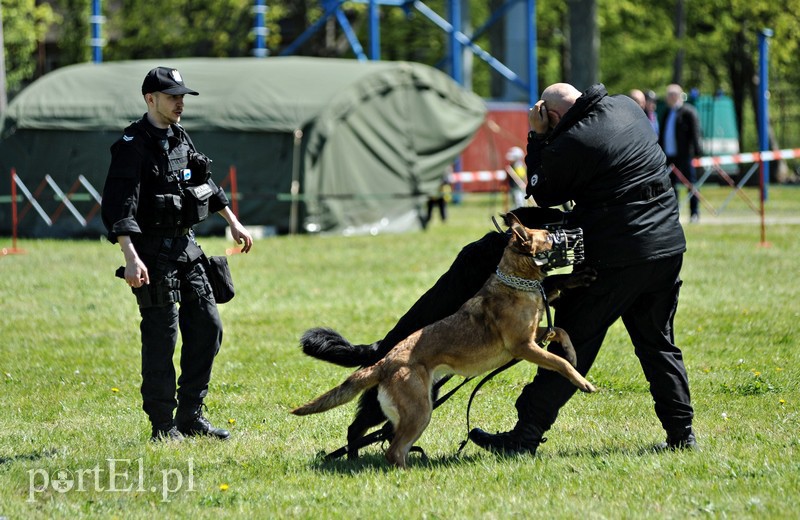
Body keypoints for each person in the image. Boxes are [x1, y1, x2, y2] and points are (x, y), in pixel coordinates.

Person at [360, 82, 696, 457]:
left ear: (552, 116)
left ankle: (525, 436)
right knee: (658, 344)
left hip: (618, 255)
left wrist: (537, 136)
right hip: (668, 244)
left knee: (576, 344)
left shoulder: (576, 140)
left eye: (545, 120)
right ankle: (682, 433)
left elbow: (541, 190)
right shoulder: (627, 107)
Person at [101, 67, 254, 442]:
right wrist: (131, 257)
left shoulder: (180, 137)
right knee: (161, 339)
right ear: (150, 99)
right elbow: (120, 206)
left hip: (186, 248)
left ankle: (191, 416)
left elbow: (203, 183)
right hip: (152, 255)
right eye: (172, 96)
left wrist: (232, 220)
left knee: (208, 328)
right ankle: (162, 425)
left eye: (182, 96)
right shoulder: (132, 145)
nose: (180, 102)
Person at [659, 83, 703, 222]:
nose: (668, 97)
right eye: (668, 95)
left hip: (685, 156)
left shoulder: (688, 112)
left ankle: (694, 213)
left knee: (691, 184)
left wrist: (697, 153)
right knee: (671, 186)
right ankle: (673, 213)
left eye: (671, 94)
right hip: (670, 156)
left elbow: (695, 134)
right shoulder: (667, 113)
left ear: (678, 96)